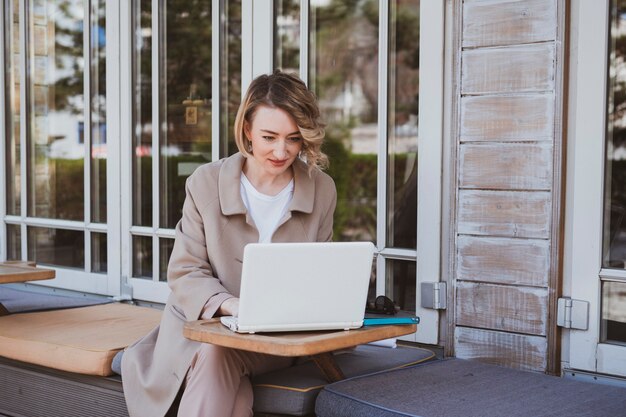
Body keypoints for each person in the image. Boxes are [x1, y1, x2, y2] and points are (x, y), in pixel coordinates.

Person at [121, 70, 337, 417]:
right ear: (247, 130)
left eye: (294, 139)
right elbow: (185, 271)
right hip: (203, 331)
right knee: (224, 371)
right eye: (269, 137)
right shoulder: (206, 182)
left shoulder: (321, 188)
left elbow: (319, 270)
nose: (282, 151)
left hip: (277, 341)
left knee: (219, 356)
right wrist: (232, 305)